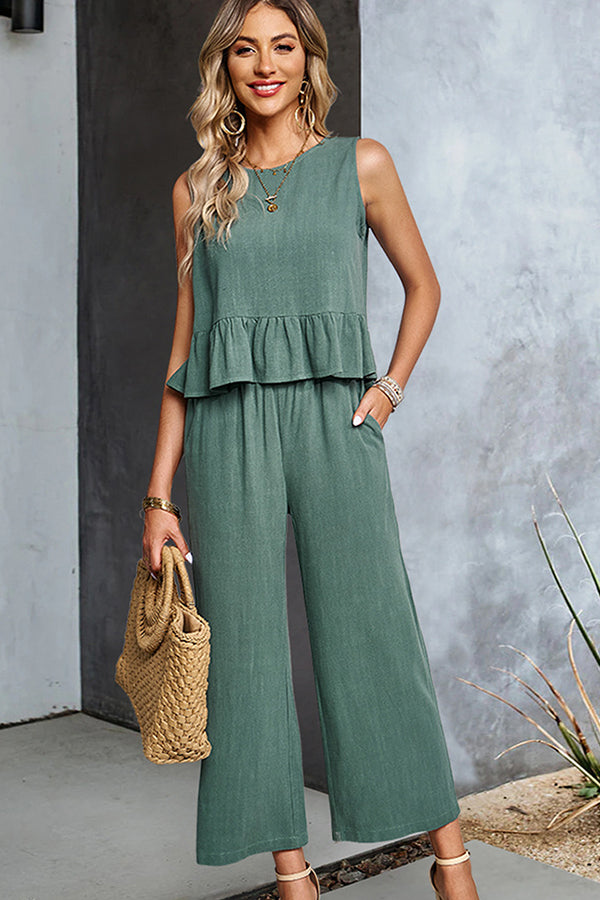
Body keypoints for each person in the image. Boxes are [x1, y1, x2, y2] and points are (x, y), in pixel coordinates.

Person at [141, 1, 480, 898]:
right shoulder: (196, 189)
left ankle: (452, 862)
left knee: (375, 628)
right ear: (225, 66)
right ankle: (293, 878)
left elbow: (424, 285)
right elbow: (184, 350)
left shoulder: (360, 164)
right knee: (246, 653)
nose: (265, 64)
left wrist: (389, 388)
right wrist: (159, 497)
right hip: (229, 431)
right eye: (245, 49)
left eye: (283, 46)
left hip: (338, 421)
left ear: (307, 60)